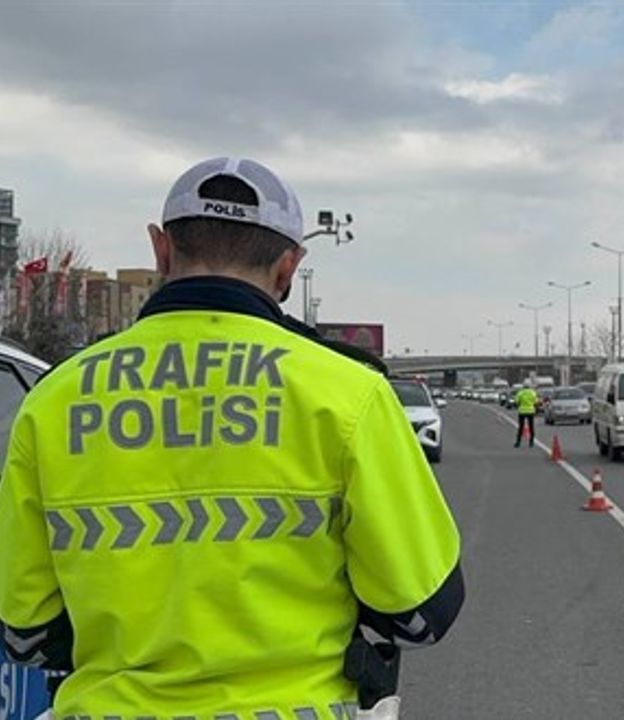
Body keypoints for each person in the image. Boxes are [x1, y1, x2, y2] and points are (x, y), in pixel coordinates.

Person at [0, 157, 464, 719]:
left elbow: (25, 631)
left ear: (161, 249)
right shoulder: (348, 392)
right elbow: (421, 611)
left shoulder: (55, 399)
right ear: (289, 267)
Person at [514, 382, 539, 447]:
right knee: (531, 426)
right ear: (529, 386)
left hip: (522, 411)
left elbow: (516, 401)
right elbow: (536, 401)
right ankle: (531, 442)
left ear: (523, 386)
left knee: (521, 427)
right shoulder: (532, 392)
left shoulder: (520, 393)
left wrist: (519, 405)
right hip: (530, 411)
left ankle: (518, 442)